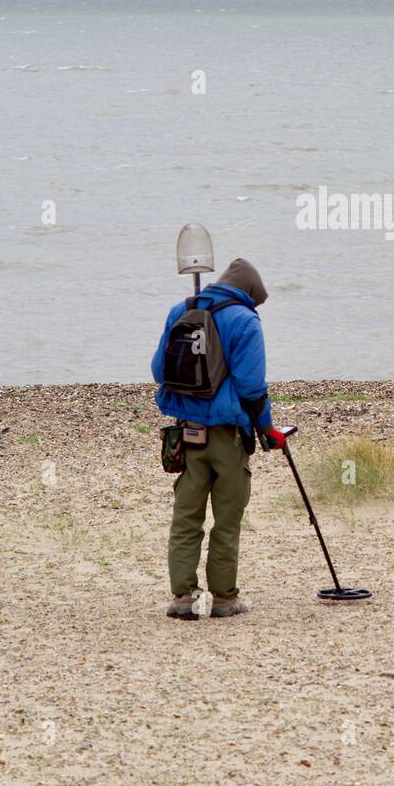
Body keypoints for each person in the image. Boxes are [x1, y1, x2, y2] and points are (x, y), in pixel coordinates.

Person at [151, 257, 285, 619]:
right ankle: (225, 599)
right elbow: (251, 386)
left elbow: (158, 370)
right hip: (228, 437)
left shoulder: (181, 310)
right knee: (226, 519)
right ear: (250, 295)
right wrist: (268, 430)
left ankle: (184, 599)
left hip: (186, 434)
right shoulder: (245, 320)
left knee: (186, 517)